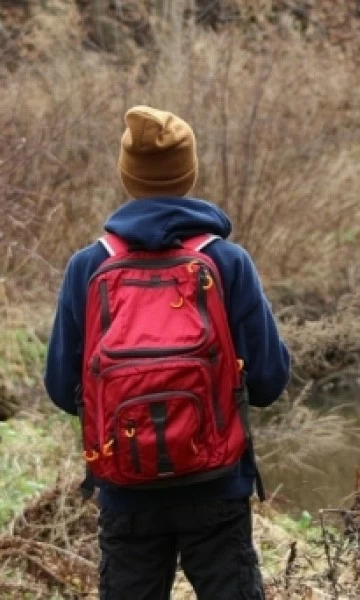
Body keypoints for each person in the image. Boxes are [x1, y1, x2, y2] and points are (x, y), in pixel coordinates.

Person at [44, 105, 291, 599]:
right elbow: (268, 382)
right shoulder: (226, 261)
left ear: (126, 177)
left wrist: (129, 407)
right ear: (189, 174)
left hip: (125, 487)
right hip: (216, 485)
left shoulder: (88, 266)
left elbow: (60, 388)